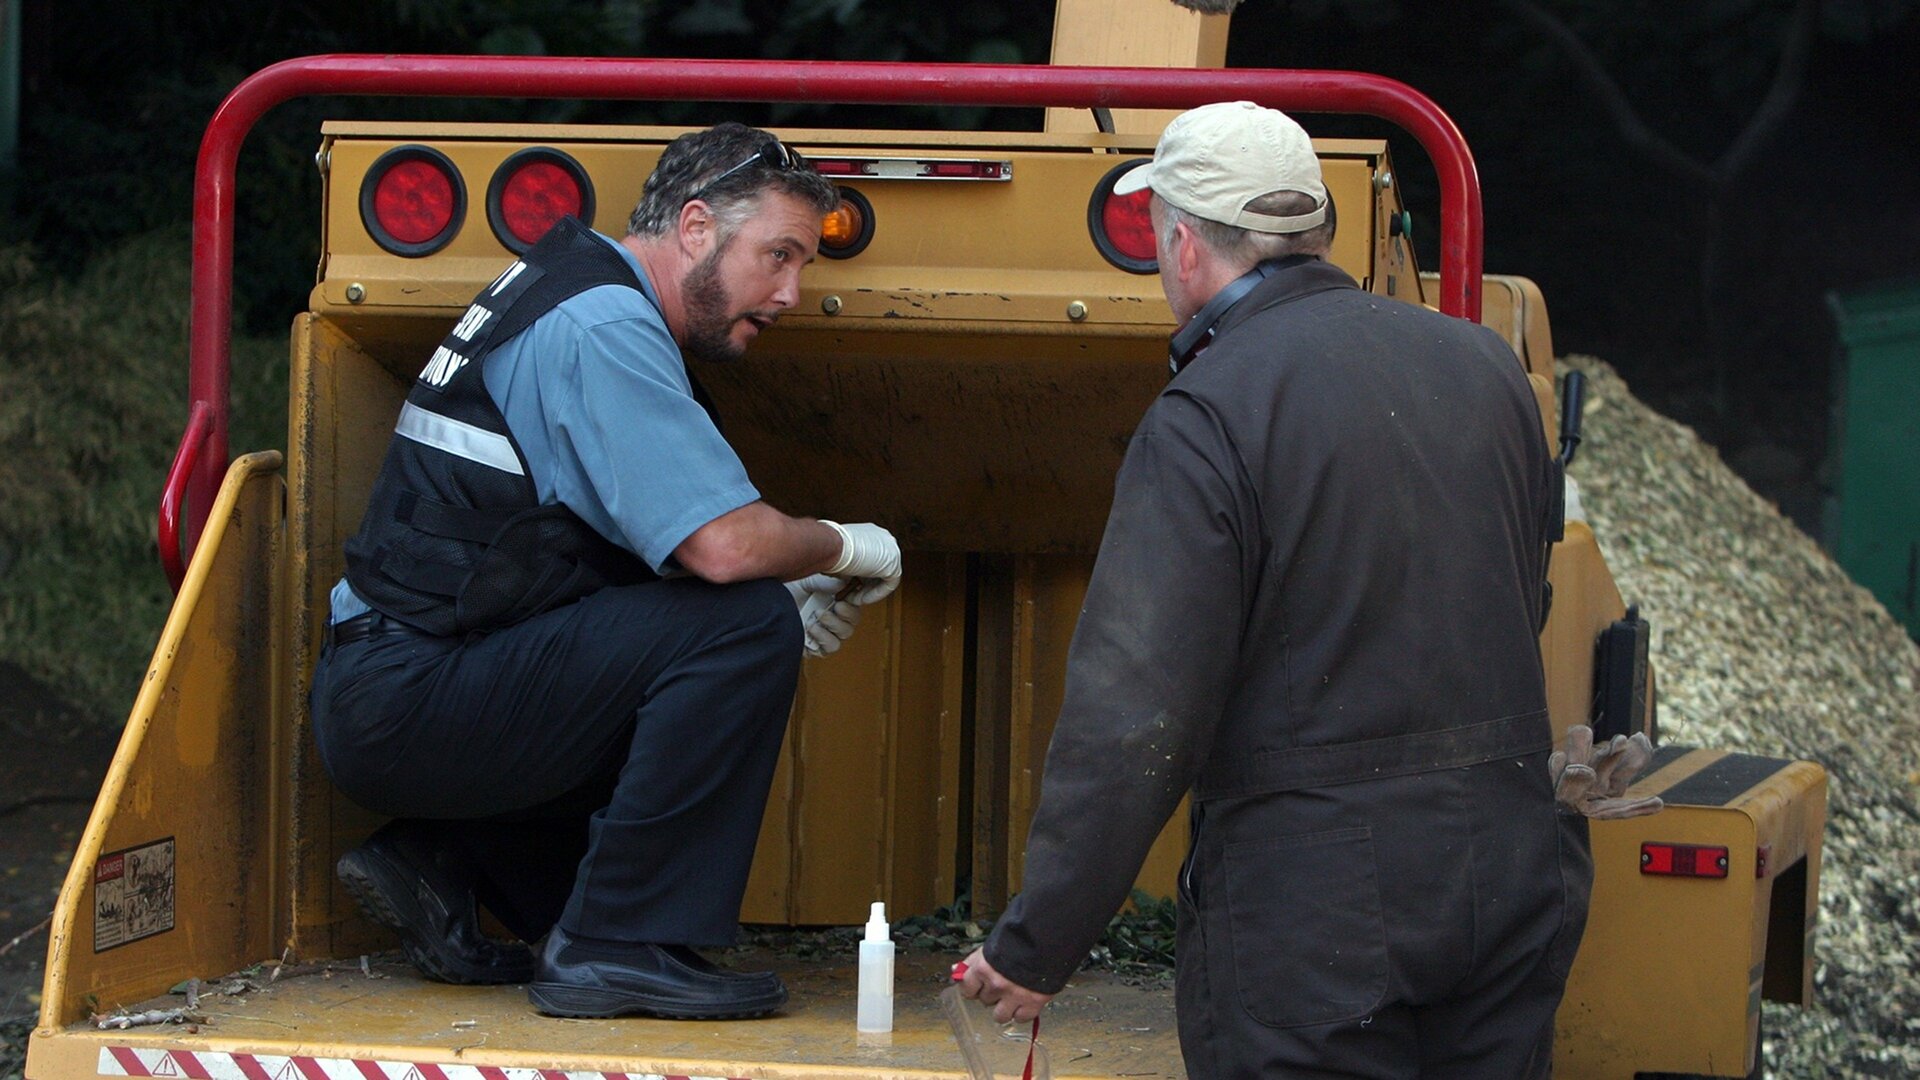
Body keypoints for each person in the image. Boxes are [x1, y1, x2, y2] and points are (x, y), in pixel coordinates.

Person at [957, 101, 1592, 1077]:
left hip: (1320, 906)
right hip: (1511, 868)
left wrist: (1040, 940)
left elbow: (1136, 713)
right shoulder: (1486, 367)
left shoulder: (1209, 412)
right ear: (1319, 230)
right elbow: (1524, 592)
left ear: (1181, 245)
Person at [308, 122, 902, 1021]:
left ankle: (446, 859)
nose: (790, 293)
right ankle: (615, 947)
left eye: (802, 266)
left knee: (716, 624)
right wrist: (842, 546)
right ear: (695, 227)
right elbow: (723, 546)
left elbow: (617, 563)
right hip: (409, 694)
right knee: (741, 627)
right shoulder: (604, 326)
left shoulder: (574, 290)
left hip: (403, 685)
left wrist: (781, 579)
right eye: (778, 255)